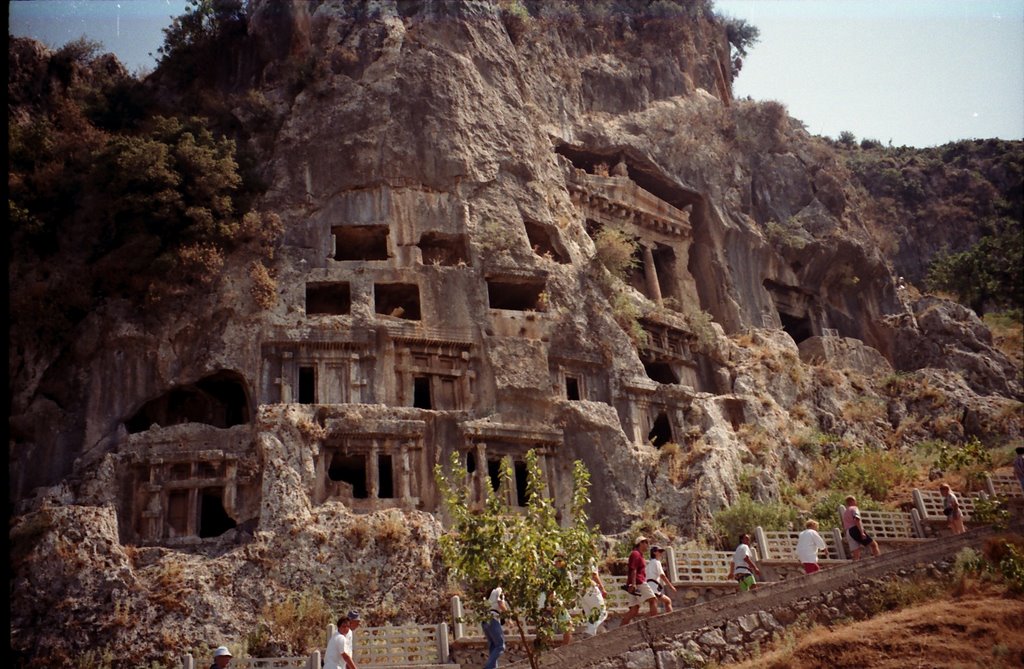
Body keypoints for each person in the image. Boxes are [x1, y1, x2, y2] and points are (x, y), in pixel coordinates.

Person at [619, 536, 658, 626]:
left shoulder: (639, 554)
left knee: (634, 609)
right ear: (640, 543)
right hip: (638, 582)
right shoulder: (636, 554)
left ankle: (620, 629)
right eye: (646, 543)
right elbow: (633, 569)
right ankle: (656, 624)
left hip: (634, 583)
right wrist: (633, 584)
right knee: (653, 600)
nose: (647, 545)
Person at [842, 496, 880, 560]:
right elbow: (857, 519)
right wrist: (862, 532)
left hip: (848, 532)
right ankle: (879, 560)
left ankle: (856, 568)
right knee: (874, 545)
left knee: (856, 554)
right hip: (855, 529)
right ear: (852, 501)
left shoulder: (845, 512)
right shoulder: (854, 508)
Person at [579, 559, 608, 637]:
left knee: (590, 614)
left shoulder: (579, 557)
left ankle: (590, 633)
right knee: (601, 611)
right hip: (590, 588)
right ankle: (589, 632)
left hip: (580, 589)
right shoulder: (590, 558)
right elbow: (594, 575)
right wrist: (602, 589)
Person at [482, 584, 507, 669]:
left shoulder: (489, 594)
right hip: (493, 619)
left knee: (493, 647)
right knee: (500, 646)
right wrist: (509, 615)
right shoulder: (499, 590)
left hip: (485, 620)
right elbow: (500, 604)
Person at [645, 545, 676, 613]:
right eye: (660, 551)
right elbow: (662, 575)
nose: (661, 553)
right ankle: (670, 617)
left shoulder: (649, 564)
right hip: (653, 586)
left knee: (653, 602)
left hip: (648, 585)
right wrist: (671, 586)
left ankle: (653, 620)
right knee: (667, 601)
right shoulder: (657, 562)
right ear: (654, 552)